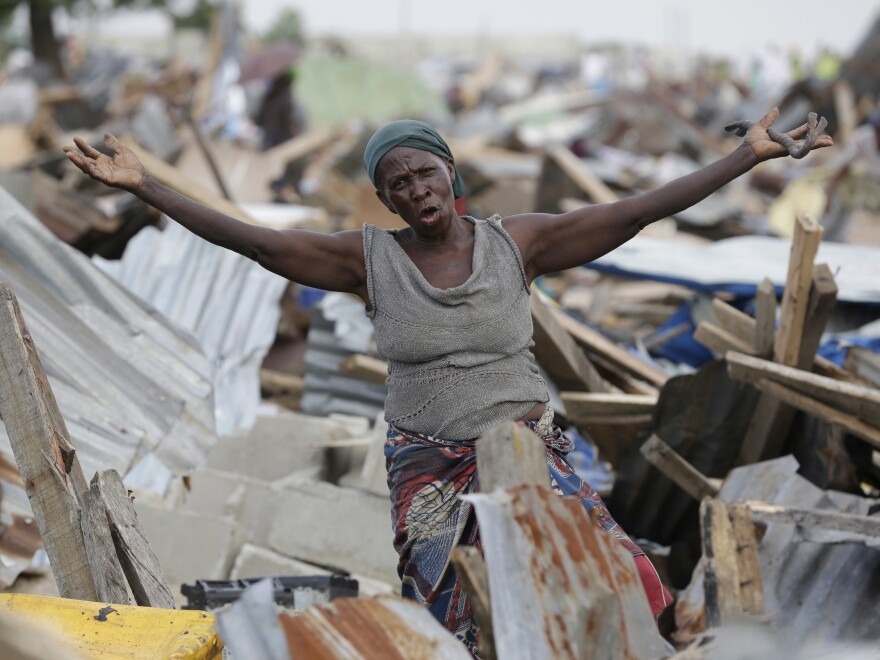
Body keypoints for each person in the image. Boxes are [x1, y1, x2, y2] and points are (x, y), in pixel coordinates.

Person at [64, 108, 830, 656]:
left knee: (617, 574)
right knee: (446, 615)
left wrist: (745, 158)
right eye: (397, 183)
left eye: (425, 172)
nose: (416, 190)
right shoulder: (368, 260)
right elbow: (262, 244)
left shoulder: (517, 243)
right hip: (426, 461)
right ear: (386, 196)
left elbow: (630, 214)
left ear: (451, 173)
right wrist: (147, 188)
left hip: (525, 445)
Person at [822, 111, 880, 241]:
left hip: (876, 188)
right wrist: (830, 191)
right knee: (848, 184)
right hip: (866, 184)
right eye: (877, 132)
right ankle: (830, 237)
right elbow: (844, 166)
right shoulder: (863, 138)